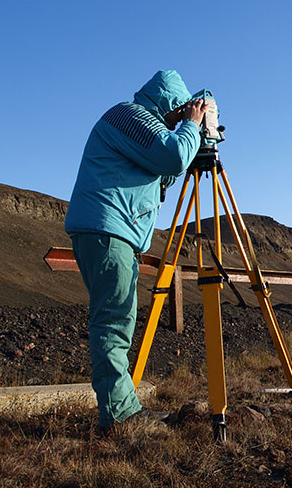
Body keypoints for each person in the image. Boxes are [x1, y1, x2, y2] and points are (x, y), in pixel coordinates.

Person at [65, 70, 209, 432]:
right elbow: (172, 155)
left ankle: (122, 407)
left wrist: (198, 138)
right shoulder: (129, 115)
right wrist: (191, 126)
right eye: (180, 112)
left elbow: (166, 168)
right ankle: (119, 417)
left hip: (109, 231)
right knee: (113, 323)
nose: (181, 120)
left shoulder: (141, 125)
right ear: (170, 104)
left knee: (117, 320)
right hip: (107, 229)